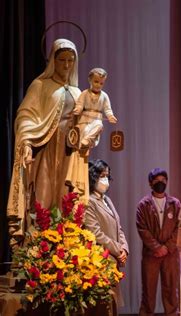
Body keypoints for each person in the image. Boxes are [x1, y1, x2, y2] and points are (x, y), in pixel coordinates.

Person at [6, 38, 86, 248]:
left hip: (69, 152)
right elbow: (25, 115)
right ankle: (37, 246)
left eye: (71, 60)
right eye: (62, 60)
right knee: (42, 195)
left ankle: (63, 246)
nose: (67, 65)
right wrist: (26, 141)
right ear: (53, 61)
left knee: (66, 197)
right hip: (46, 148)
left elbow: (85, 123)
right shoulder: (40, 85)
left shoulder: (78, 93)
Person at [84, 159, 129, 310]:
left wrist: (124, 249)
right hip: (101, 261)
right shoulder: (89, 201)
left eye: (107, 176)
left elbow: (119, 227)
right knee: (105, 306)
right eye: (102, 175)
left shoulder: (107, 200)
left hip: (114, 260)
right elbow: (96, 233)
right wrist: (118, 250)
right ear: (93, 177)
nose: (105, 180)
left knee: (113, 304)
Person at [136, 168, 180, 316]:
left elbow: (179, 227)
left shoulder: (175, 204)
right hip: (151, 255)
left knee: (171, 290)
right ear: (150, 183)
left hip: (170, 254)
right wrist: (156, 247)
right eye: (157, 181)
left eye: (163, 180)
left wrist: (167, 247)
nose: (160, 183)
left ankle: (173, 313)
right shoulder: (143, 204)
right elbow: (142, 229)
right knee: (148, 290)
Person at [72, 67, 117, 153]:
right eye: (96, 82)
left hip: (96, 119)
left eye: (101, 83)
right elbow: (80, 104)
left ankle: (87, 140)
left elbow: (107, 109)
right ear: (90, 80)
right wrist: (78, 109)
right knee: (83, 130)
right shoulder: (84, 93)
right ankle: (82, 143)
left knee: (99, 127)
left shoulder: (104, 96)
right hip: (85, 118)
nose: (98, 85)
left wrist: (110, 116)